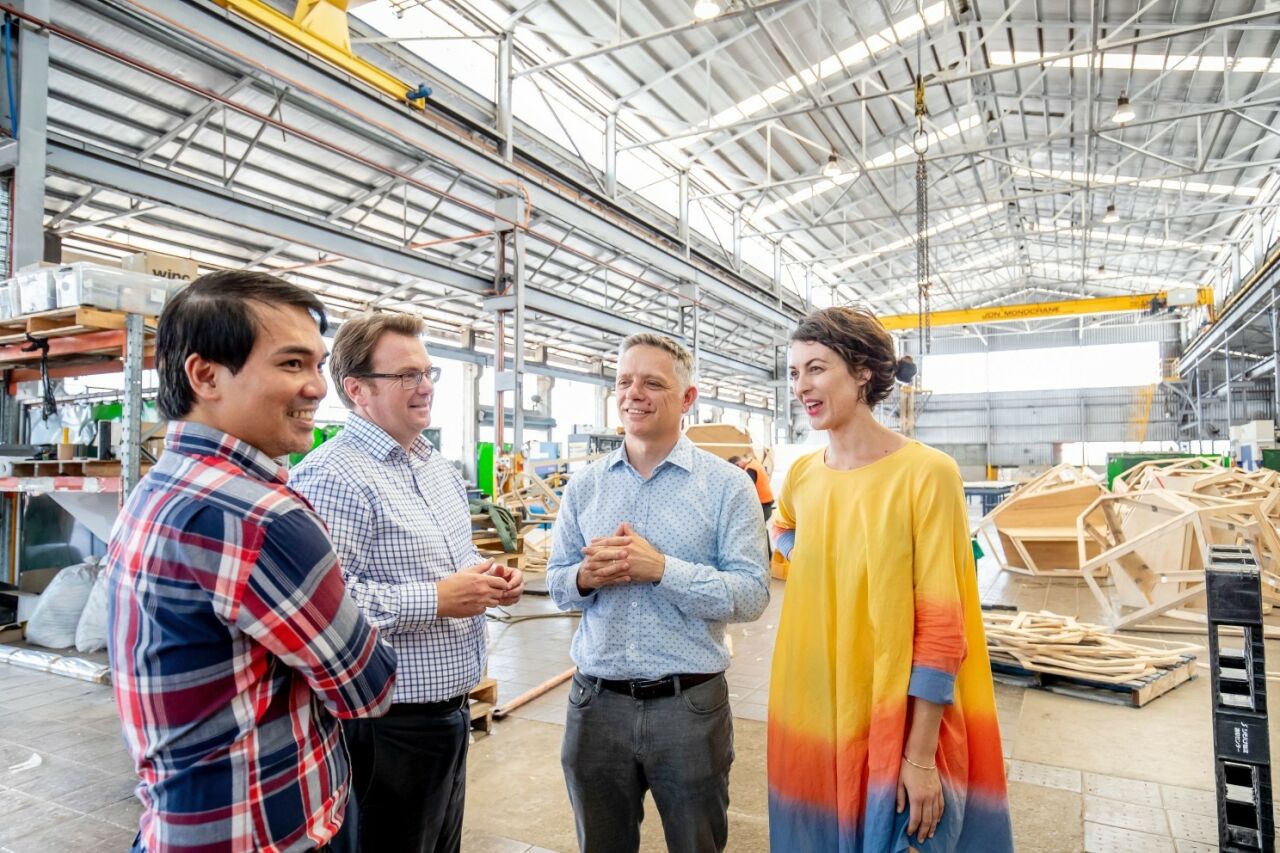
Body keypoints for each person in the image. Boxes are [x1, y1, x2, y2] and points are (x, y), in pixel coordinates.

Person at [105, 271, 398, 853]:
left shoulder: (159, 486)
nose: (317, 387)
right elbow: (369, 687)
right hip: (264, 832)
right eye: (292, 364)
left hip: (180, 822)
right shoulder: (260, 517)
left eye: (317, 365)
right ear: (205, 375)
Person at [767, 307, 1012, 852]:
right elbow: (780, 524)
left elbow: (943, 629)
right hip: (812, 696)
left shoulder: (926, 474)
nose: (801, 386)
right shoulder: (804, 474)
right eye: (793, 372)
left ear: (861, 372)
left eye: (816, 368)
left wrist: (919, 758)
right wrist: (811, 556)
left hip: (893, 707)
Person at [291, 312, 522, 853]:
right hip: (385, 728)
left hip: (448, 714)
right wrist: (439, 599)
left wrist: (489, 579)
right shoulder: (334, 475)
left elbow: (456, 561)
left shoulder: (435, 467)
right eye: (406, 376)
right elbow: (325, 608)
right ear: (357, 390)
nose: (424, 387)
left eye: (428, 372)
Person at [547, 333, 770, 853]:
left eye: (652, 383)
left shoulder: (727, 487)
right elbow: (558, 583)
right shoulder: (585, 485)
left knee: (696, 844)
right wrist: (585, 578)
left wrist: (661, 569)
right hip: (595, 706)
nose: (633, 394)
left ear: (688, 399)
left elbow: (752, 594)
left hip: (688, 707)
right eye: (624, 381)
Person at [728, 453, 774, 522]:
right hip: (766, 502)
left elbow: (746, 489)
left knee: (757, 528)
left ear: (737, 464)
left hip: (762, 505)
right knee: (761, 528)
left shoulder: (750, 470)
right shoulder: (754, 462)